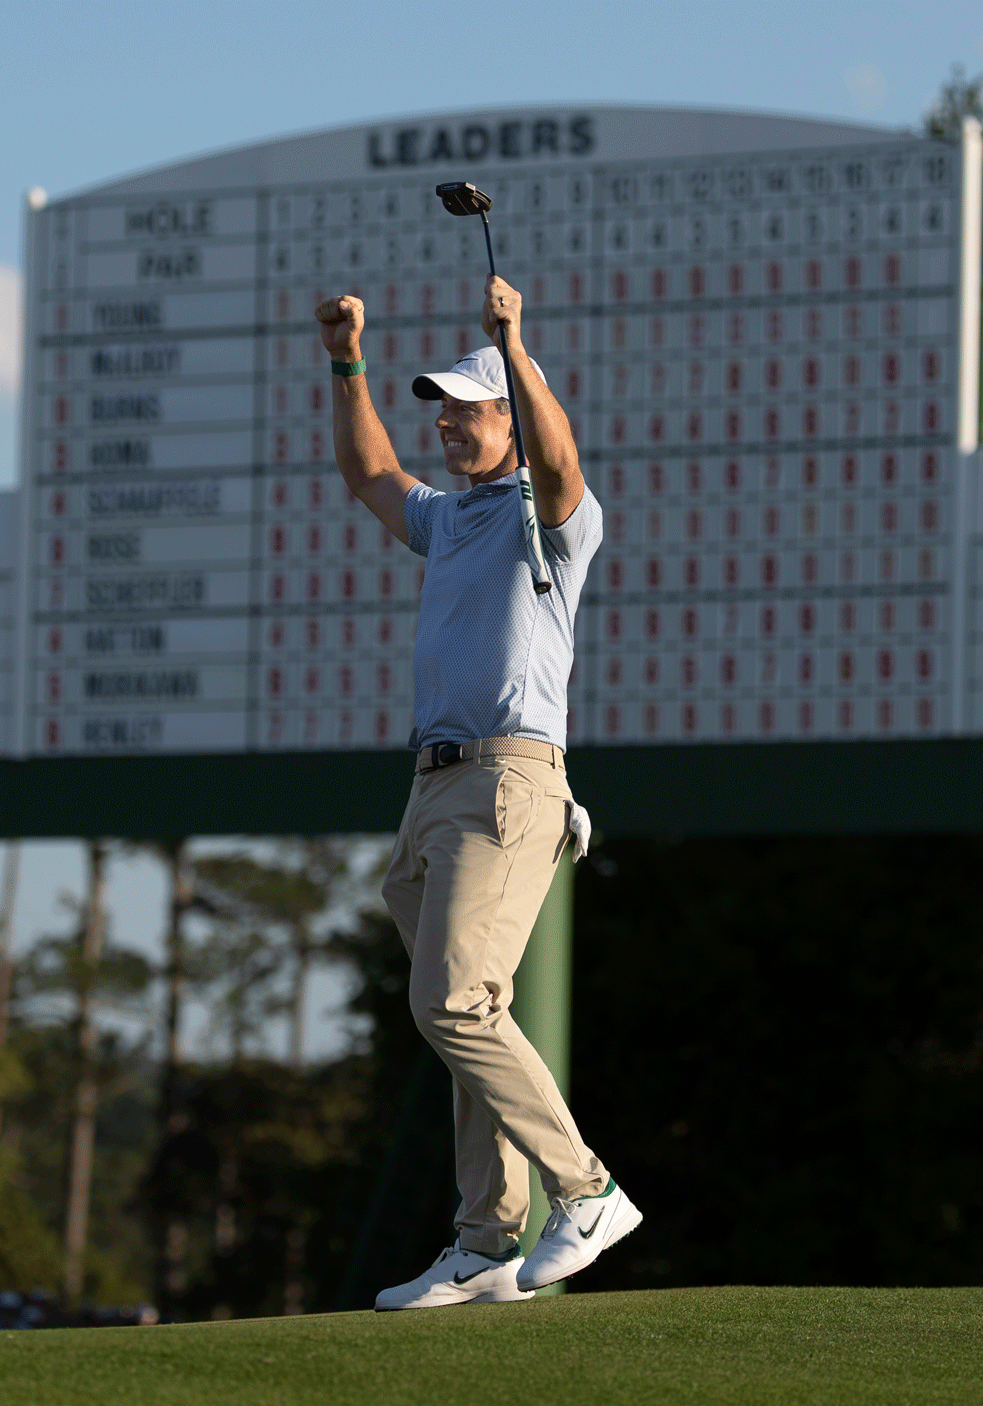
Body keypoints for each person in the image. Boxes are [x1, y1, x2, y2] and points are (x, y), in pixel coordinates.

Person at [317, 279, 641, 1311]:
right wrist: (347, 361)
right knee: (465, 1016)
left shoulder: (554, 519)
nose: (450, 419)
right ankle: (485, 1238)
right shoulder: (451, 519)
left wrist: (514, 340)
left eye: (472, 403)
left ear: (515, 412)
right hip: (434, 791)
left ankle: (585, 1189)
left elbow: (562, 464)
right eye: (445, 406)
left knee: (451, 1001)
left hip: (507, 782)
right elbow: (370, 471)